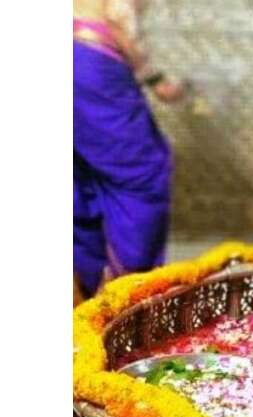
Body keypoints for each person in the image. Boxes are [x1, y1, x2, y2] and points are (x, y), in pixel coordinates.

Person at [73, 0, 184, 303]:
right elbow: (117, 14)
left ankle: (85, 292)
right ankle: (125, 292)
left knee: (81, 177)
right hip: (90, 62)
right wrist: (155, 78)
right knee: (145, 172)